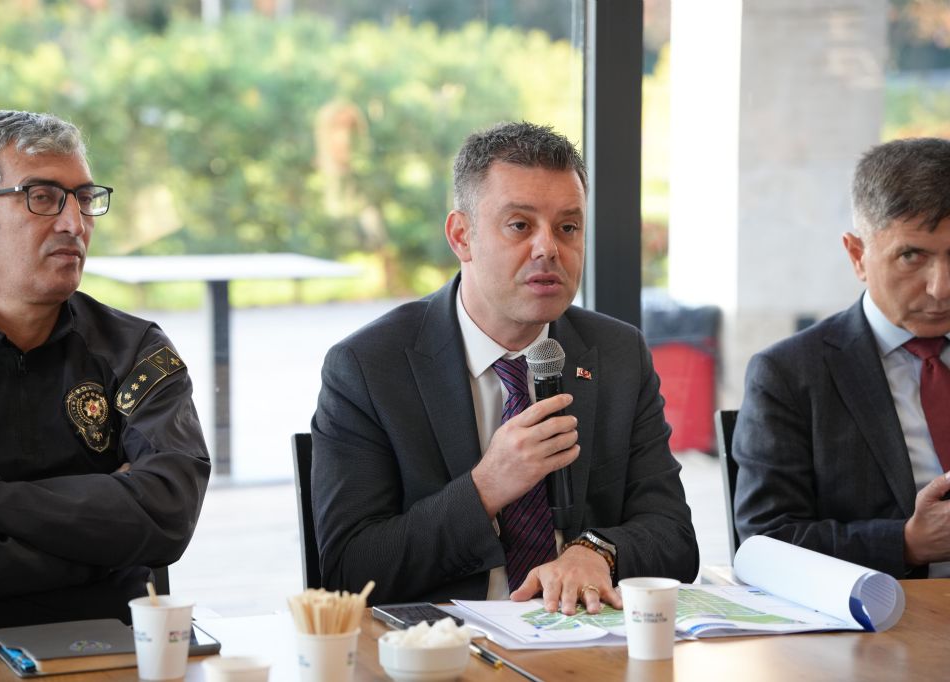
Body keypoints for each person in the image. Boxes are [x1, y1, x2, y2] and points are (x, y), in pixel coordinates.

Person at [312, 121, 698, 615]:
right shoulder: (368, 367)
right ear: (461, 236)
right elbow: (349, 570)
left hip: (584, 635)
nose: (548, 248)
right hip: (448, 643)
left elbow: (675, 537)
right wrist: (486, 488)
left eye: (568, 228)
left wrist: (597, 550)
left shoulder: (618, 353)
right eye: (520, 225)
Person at [0, 110, 211, 642]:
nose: (74, 224)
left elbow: (168, 512)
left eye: (83, 198)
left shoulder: (134, 349)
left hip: (121, 644)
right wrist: (100, 551)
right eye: (42, 197)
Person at [733, 137, 950, 579]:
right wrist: (905, 543)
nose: (940, 288)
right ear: (857, 256)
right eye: (911, 256)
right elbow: (766, 540)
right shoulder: (790, 374)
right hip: (887, 611)